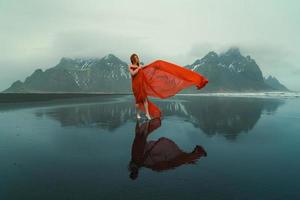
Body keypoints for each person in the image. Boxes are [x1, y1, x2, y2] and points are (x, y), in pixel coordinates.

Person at [128, 53, 208, 120]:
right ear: (132, 59)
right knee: (138, 101)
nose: (137, 59)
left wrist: (155, 65)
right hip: (136, 86)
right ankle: (137, 114)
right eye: (135, 58)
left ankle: (147, 114)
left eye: (137, 57)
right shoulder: (131, 66)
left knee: (145, 99)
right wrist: (138, 68)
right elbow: (132, 74)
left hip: (142, 85)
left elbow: (146, 71)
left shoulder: (140, 67)